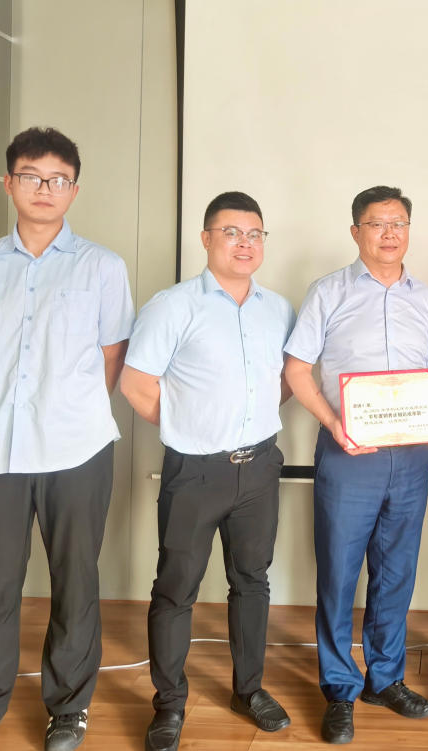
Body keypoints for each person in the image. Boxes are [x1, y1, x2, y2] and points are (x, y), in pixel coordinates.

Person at [0, 127, 134, 751]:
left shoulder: (102, 266)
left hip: (77, 448)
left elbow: (113, 354)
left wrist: (67, 407)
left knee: (75, 581)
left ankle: (69, 710)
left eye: (58, 179)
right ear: (9, 182)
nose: (44, 188)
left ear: (74, 189)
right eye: (31, 176)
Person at [120, 191, 295, 750]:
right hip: (194, 473)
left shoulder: (278, 309)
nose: (244, 244)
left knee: (252, 582)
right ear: (206, 239)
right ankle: (170, 703)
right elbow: (135, 384)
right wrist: (187, 425)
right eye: (231, 233)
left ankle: (249, 690)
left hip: (259, 469)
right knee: (176, 589)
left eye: (254, 234)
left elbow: (286, 381)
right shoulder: (172, 306)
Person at [283, 186, 428, 745]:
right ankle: (339, 688)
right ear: (356, 232)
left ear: (409, 230)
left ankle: (385, 678)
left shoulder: (424, 297)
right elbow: (297, 369)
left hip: (411, 457)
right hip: (347, 453)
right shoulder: (328, 292)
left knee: (396, 571)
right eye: (377, 223)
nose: (389, 233)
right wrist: (334, 423)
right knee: (338, 572)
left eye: (398, 223)